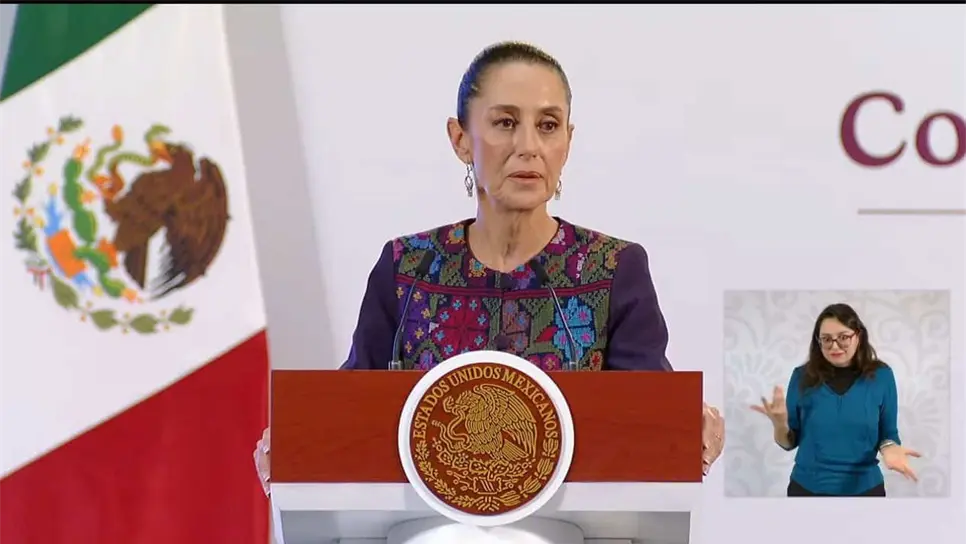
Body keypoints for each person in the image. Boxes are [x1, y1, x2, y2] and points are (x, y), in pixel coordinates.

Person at [253, 40, 725, 496]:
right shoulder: (407, 270)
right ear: (460, 139)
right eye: (505, 122)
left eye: (548, 125)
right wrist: (296, 442)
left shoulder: (612, 269)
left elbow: (649, 419)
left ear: (568, 141)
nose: (529, 146)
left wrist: (689, 427)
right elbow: (350, 410)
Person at [752, 302, 920, 497]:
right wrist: (780, 425)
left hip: (865, 490)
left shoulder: (882, 376)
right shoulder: (801, 376)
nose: (834, 346)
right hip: (807, 489)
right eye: (826, 339)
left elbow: (888, 432)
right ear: (818, 341)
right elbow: (789, 443)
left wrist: (890, 448)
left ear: (858, 336)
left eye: (843, 337)